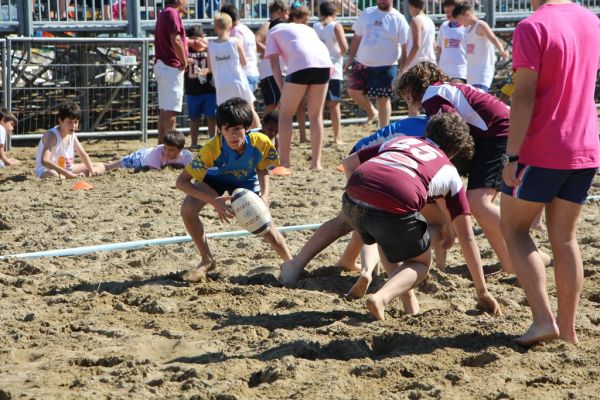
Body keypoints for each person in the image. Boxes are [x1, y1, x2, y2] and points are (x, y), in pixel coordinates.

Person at [280, 114, 502, 320]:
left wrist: (361, 194)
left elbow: (349, 163)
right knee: (421, 263)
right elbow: (468, 238)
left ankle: (295, 266)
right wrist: (481, 291)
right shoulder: (448, 170)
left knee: (365, 230)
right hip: (395, 203)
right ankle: (381, 297)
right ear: (456, 151)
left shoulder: (403, 141)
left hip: (356, 191)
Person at [499, 0, 600, 346]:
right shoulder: (591, 20)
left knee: (513, 229)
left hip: (542, 146)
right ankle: (568, 330)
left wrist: (512, 154)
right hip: (585, 145)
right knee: (566, 239)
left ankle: (543, 321)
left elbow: (524, 96)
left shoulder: (533, 26)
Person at [396, 62, 535, 275]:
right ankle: (510, 264)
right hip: (498, 132)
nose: (406, 99)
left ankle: (528, 247)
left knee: (477, 203)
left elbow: (452, 127)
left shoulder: (432, 95)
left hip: (498, 134)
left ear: (415, 87)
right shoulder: (449, 88)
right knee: (480, 207)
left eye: (406, 93)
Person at [176, 98, 292, 282]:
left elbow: (262, 169)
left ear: (246, 127)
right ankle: (207, 260)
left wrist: (265, 197)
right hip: (216, 180)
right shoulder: (211, 148)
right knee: (187, 209)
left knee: (267, 228)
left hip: (245, 181)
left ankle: (291, 263)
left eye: (237, 128)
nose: (233, 135)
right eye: (226, 129)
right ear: (220, 129)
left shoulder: (261, 141)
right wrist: (213, 201)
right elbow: (182, 182)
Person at [265, 17, 333, 173]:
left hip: (301, 63)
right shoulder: (304, 28)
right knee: (316, 115)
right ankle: (316, 164)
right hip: (324, 63)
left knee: (285, 114)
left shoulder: (272, 32)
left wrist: (283, 91)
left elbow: (275, 66)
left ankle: (284, 162)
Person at [345, 0, 410, 128]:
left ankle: (383, 129)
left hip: (387, 64)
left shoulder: (399, 18)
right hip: (362, 61)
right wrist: (351, 58)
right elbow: (357, 36)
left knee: (383, 98)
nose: (381, 1)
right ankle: (372, 112)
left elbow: (405, 46)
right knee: (352, 90)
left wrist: (403, 68)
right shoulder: (368, 12)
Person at [207, 13, 260, 128]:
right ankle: (259, 133)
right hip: (237, 81)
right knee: (249, 108)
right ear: (230, 27)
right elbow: (244, 62)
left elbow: (210, 68)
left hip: (221, 84)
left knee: (223, 113)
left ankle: (222, 140)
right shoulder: (235, 42)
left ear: (215, 28)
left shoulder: (210, 45)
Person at [34, 102, 105, 179]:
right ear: (60, 120)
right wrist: (68, 174)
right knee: (53, 174)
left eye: (75, 122)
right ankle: (72, 176)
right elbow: (44, 160)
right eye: (69, 122)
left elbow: (83, 154)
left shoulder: (72, 134)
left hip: (67, 169)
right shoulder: (52, 135)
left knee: (100, 166)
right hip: (47, 170)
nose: (73, 126)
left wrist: (92, 171)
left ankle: (79, 175)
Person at [452, 1, 509, 91]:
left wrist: (502, 50)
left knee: (479, 101)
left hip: (482, 74)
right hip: (471, 75)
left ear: (466, 14)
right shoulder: (467, 30)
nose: (460, 23)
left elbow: (493, 38)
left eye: (460, 19)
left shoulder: (481, 25)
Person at [313, 1, 348, 145]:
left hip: (319, 66)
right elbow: (344, 47)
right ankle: (337, 137)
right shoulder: (335, 25)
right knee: (334, 104)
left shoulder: (315, 26)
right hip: (333, 67)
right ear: (334, 13)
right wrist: (338, 54)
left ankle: (318, 139)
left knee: (318, 106)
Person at [154, 0, 188, 144]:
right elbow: (176, 39)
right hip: (171, 67)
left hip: (163, 64)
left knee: (164, 111)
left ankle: (162, 148)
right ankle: (170, 149)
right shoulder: (172, 13)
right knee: (170, 112)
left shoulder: (164, 13)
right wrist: (184, 60)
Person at [400, 0, 436, 115]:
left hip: (418, 65)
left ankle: (414, 129)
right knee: (428, 101)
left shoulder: (416, 21)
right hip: (430, 63)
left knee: (413, 103)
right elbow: (433, 45)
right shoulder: (429, 20)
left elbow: (416, 45)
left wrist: (405, 66)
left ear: (411, 6)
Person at [185, 25, 217, 147]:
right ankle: (193, 143)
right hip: (193, 89)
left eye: (199, 39)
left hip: (209, 88)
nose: (196, 43)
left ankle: (213, 142)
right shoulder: (186, 49)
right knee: (194, 118)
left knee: (211, 116)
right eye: (193, 40)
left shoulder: (209, 47)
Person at [255, 0, 289, 113]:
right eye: (286, 13)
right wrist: (270, 52)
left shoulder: (279, 26)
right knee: (272, 103)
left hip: (278, 70)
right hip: (269, 70)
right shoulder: (268, 25)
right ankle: (266, 130)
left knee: (278, 102)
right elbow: (256, 41)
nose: (288, 16)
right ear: (280, 11)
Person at [104, 130, 193, 172]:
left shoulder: (186, 156)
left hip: (147, 154)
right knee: (108, 167)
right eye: (165, 148)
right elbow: (154, 170)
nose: (166, 152)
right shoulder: (158, 152)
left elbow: (192, 171)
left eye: (171, 150)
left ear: (180, 149)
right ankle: (105, 164)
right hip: (138, 159)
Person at [219, 5, 261, 93]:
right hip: (252, 72)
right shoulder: (246, 29)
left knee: (242, 105)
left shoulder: (236, 31)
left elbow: (236, 53)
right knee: (247, 105)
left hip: (244, 75)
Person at [436, 0, 467, 83]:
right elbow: (439, 48)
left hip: (460, 72)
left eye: (450, 11)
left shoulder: (466, 28)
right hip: (443, 72)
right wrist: (437, 65)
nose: (448, 14)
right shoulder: (444, 26)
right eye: (446, 11)